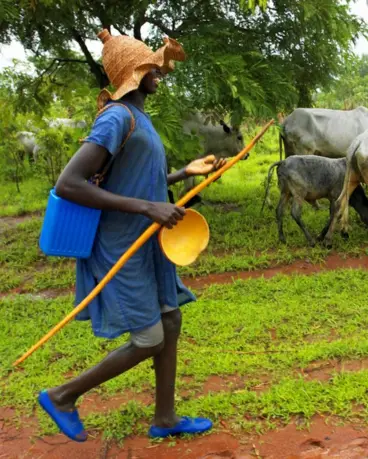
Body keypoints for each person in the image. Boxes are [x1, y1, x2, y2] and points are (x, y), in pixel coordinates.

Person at [37, 29, 227, 442]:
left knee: (170, 319)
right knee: (149, 337)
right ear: (133, 75)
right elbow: (69, 183)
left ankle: (165, 418)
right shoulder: (116, 118)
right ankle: (63, 395)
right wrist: (147, 208)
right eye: (149, 67)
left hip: (149, 243)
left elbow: (137, 180)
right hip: (120, 245)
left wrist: (184, 173)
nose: (159, 71)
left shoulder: (140, 118)